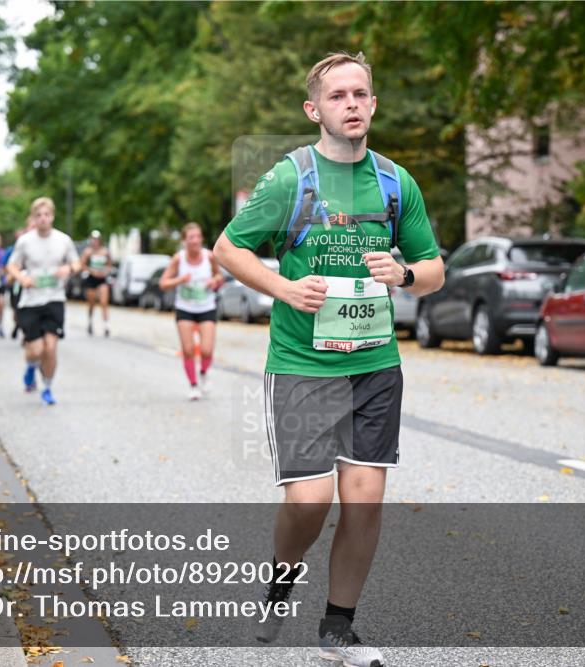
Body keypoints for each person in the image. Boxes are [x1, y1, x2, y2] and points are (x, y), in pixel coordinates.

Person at [213, 52, 445, 666]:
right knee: (309, 501)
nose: (351, 104)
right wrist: (283, 288)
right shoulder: (289, 179)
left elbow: (434, 271)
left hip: (374, 363)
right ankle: (281, 580)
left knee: (363, 498)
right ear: (315, 110)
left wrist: (403, 271)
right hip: (302, 363)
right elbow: (228, 248)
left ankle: (337, 629)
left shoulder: (397, 183)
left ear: (373, 104)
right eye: (338, 95)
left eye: (361, 94)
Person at [5, 198, 80, 405]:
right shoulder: (25, 241)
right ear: (33, 218)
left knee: (50, 348)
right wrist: (22, 278)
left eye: (46, 215)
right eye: (38, 215)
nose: (43, 219)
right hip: (30, 302)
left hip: (54, 299)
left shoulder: (63, 240)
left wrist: (69, 268)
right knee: (35, 350)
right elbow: (12, 266)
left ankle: (47, 387)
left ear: (52, 216)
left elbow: (77, 262)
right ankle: (31, 367)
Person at [159, 222, 224, 401]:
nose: (195, 241)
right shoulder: (178, 259)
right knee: (188, 349)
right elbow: (163, 283)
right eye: (191, 238)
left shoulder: (209, 256)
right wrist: (180, 279)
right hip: (185, 308)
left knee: (207, 349)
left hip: (206, 307)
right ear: (184, 241)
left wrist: (215, 281)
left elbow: (219, 276)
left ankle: (203, 372)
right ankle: (194, 385)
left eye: (198, 237)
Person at [78, 230, 112, 337]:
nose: (95, 241)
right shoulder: (88, 252)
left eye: (97, 239)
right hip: (91, 278)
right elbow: (81, 264)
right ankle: (90, 322)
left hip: (102, 279)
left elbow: (110, 265)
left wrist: (105, 271)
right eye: (93, 239)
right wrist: (91, 270)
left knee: (104, 302)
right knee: (92, 303)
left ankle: (106, 326)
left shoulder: (105, 252)